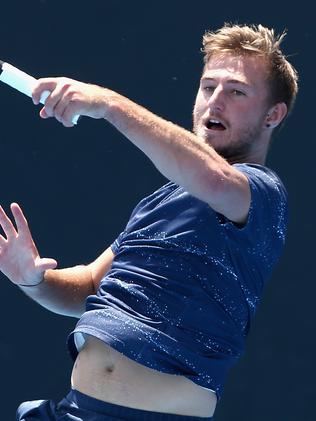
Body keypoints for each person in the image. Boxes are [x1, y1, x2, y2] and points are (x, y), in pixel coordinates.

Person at [0, 23, 298, 420]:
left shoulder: (263, 193)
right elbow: (89, 285)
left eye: (237, 92)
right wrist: (32, 280)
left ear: (273, 115)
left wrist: (106, 103)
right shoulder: (159, 202)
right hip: (74, 410)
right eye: (208, 87)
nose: (215, 102)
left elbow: (212, 177)